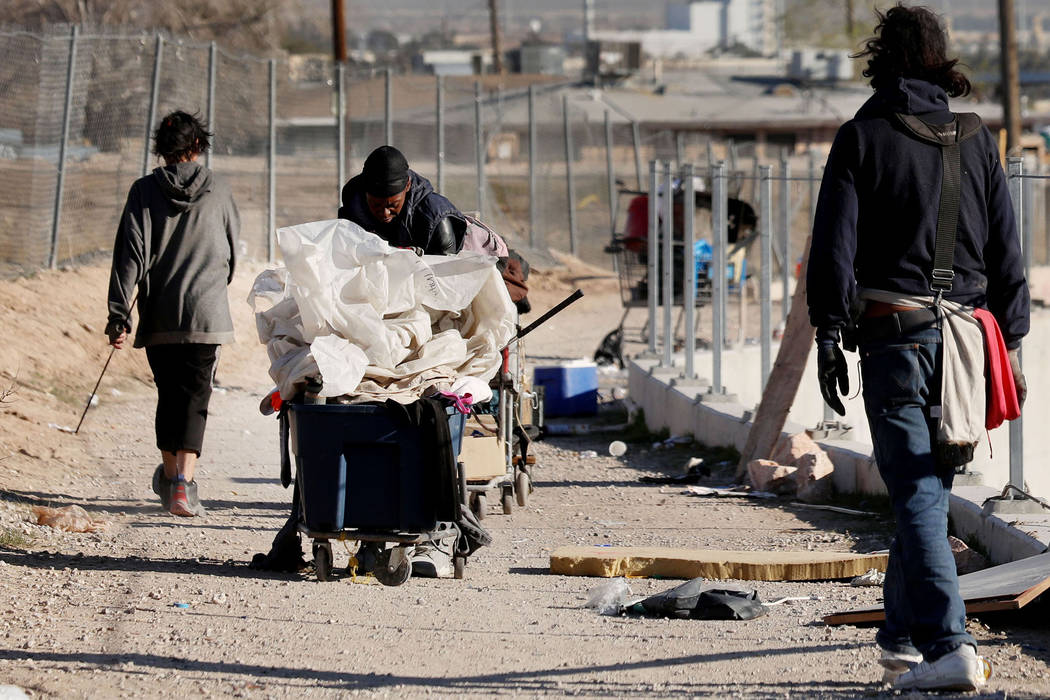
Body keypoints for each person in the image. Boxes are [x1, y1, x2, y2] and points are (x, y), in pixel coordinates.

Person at [807, 4, 1028, 692]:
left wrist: (828, 330)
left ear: (879, 61)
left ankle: (949, 646)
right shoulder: (975, 136)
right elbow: (1005, 249)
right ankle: (902, 637)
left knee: (918, 499)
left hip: (896, 339)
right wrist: (1013, 340)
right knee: (926, 493)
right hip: (967, 344)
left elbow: (834, 249)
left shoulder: (862, 136)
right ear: (940, 62)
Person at [107, 110, 239, 518]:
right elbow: (233, 253)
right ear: (198, 146)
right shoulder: (219, 188)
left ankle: (170, 480)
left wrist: (118, 314)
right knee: (196, 397)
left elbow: (130, 255)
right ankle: (184, 481)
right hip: (207, 315)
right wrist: (212, 286)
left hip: (161, 314)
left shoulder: (143, 190)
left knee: (169, 396)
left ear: (161, 150)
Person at [338, 145, 466, 255]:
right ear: (365, 192)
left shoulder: (435, 220)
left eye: (393, 205)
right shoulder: (354, 206)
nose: (385, 213)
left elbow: (445, 277)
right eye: (376, 205)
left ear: (408, 186)